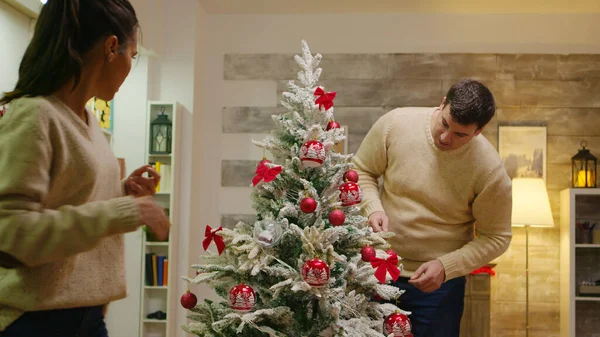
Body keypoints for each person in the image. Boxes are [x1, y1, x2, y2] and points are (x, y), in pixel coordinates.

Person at [0, 0, 170, 336]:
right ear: (111, 48)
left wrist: (121, 191)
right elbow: (11, 235)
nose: (129, 66)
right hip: (35, 322)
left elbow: (66, 201)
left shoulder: (86, 120)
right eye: (132, 55)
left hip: (87, 318)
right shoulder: (34, 115)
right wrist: (125, 211)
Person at [352, 79, 512, 337]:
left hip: (440, 288)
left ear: (478, 132)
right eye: (445, 123)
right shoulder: (395, 123)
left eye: (460, 134)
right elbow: (362, 170)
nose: (445, 138)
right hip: (377, 270)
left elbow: (497, 238)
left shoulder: (490, 170)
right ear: (442, 104)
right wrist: (372, 207)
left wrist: (447, 266)